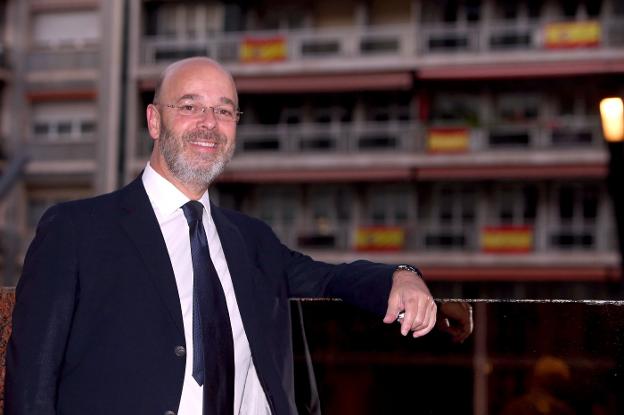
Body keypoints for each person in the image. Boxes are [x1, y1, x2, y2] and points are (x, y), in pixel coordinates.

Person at [5, 57, 437, 415]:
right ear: (154, 120)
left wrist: (402, 274)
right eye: (190, 106)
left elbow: (330, 279)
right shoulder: (77, 229)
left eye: (224, 110)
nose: (208, 123)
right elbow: (31, 381)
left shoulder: (252, 241)